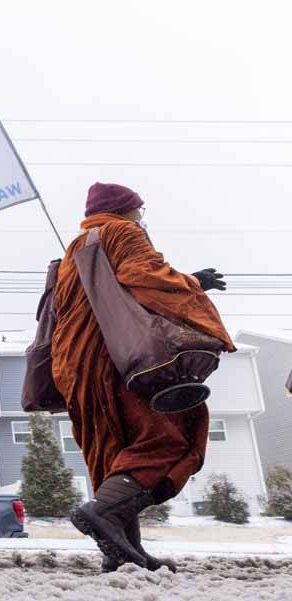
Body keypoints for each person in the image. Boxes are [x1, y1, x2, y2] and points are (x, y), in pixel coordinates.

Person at [54, 182, 234, 572]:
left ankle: (122, 552)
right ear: (124, 209)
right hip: (119, 359)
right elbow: (144, 277)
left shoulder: (76, 247)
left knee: (112, 450)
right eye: (138, 208)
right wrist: (191, 285)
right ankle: (103, 513)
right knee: (172, 436)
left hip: (74, 365)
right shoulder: (122, 231)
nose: (142, 216)